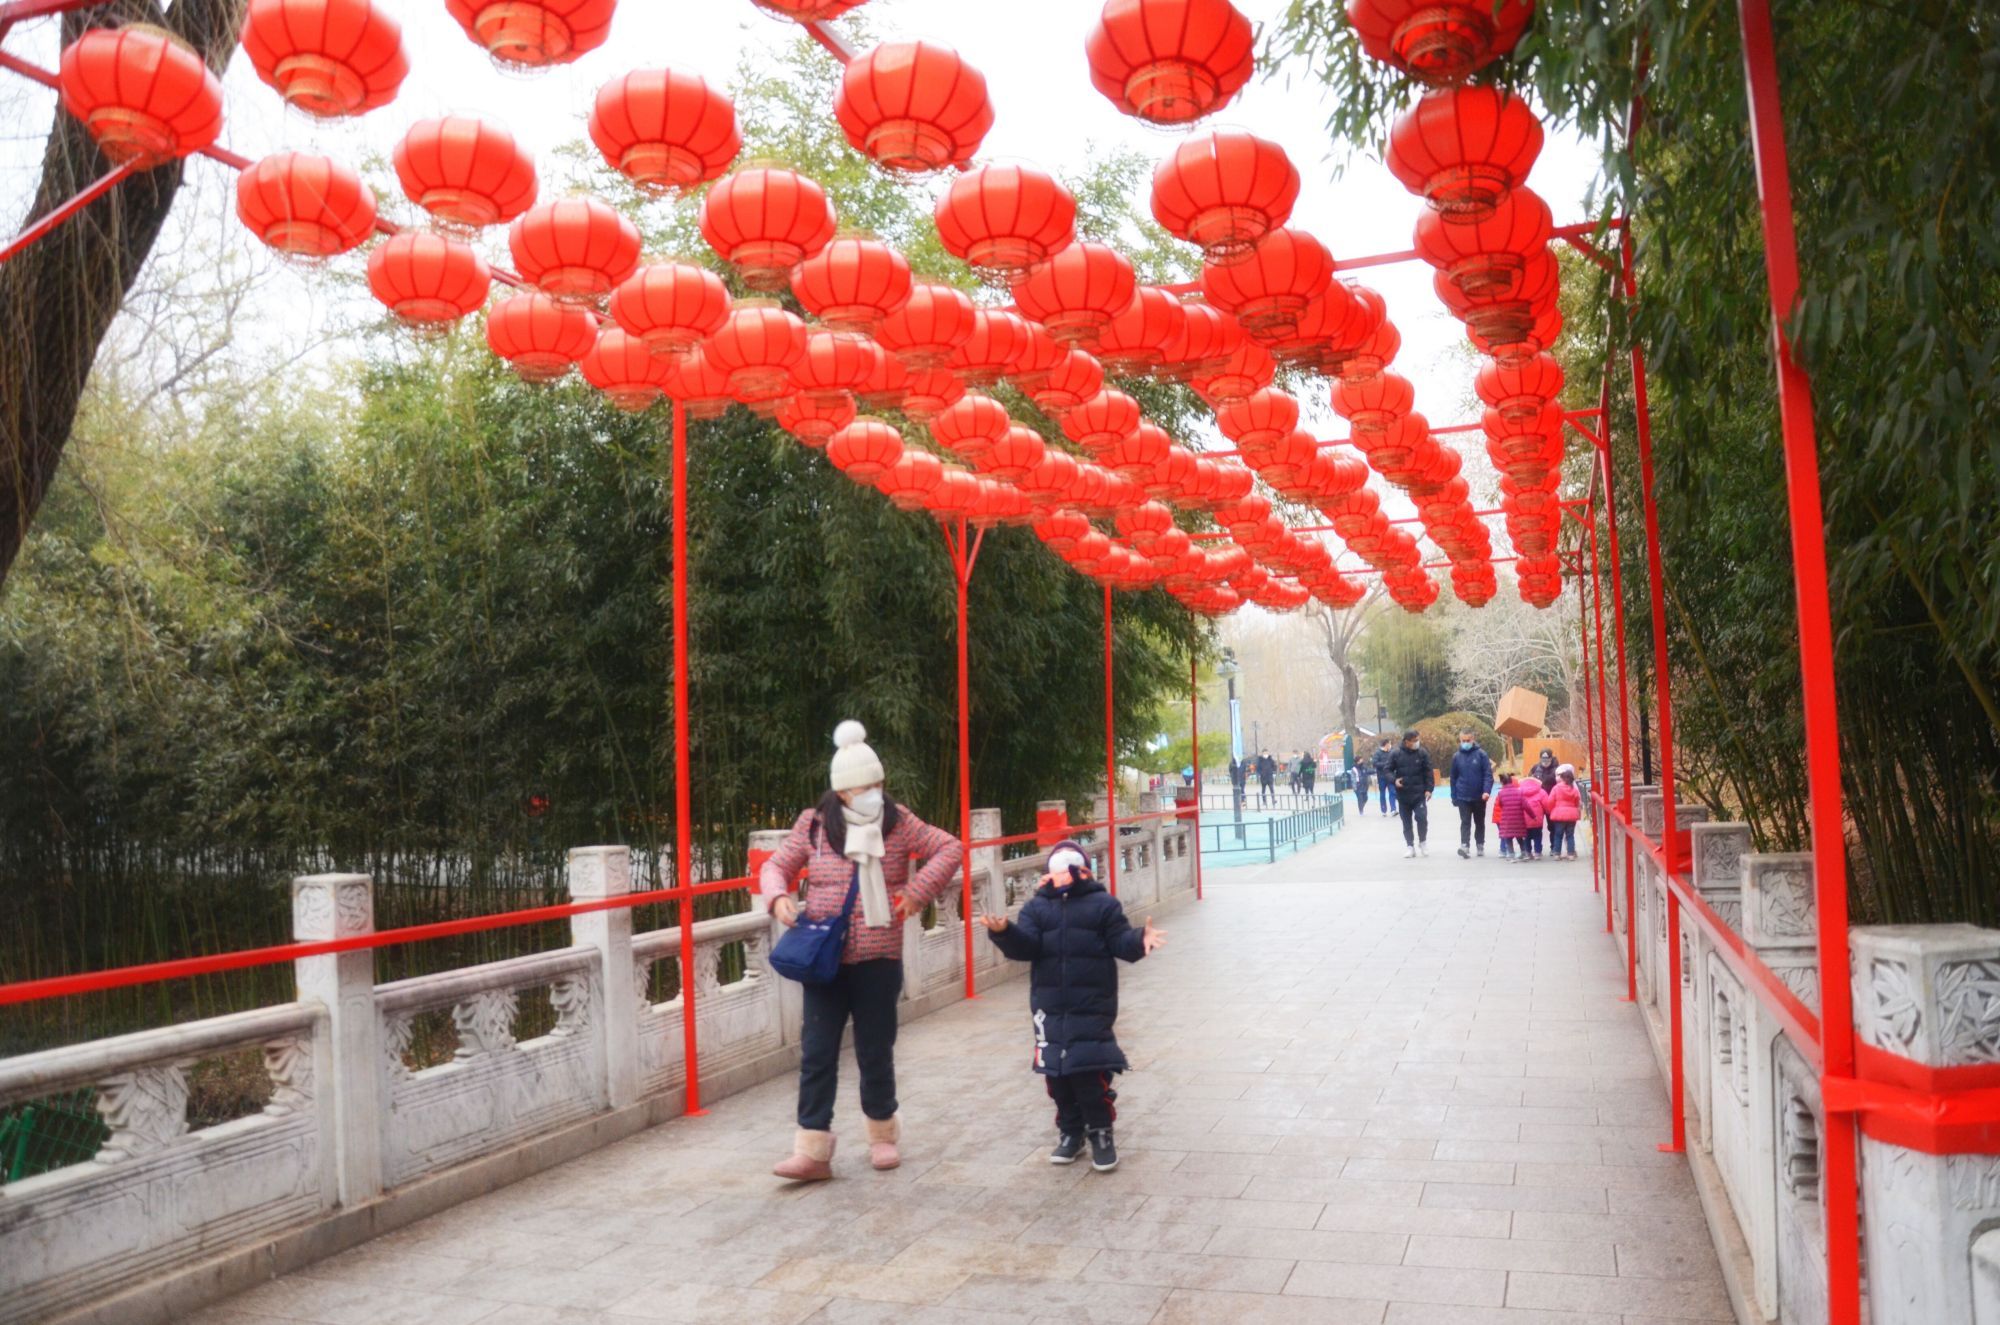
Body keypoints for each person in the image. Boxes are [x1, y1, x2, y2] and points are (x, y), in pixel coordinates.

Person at [758, 721, 964, 1180]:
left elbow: (950, 848)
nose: (871, 792)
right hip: (824, 958)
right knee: (817, 1050)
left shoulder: (898, 821)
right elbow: (776, 865)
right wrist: (778, 897)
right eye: (861, 787)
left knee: (875, 1049)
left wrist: (917, 891)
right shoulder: (813, 825)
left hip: (879, 957)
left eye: (876, 784)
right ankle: (812, 1150)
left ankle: (882, 1136)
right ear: (842, 793)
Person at [982, 839, 1165, 1173]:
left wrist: (1140, 939)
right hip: (1048, 1008)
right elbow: (1027, 947)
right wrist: (1004, 932)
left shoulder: (1103, 905)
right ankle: (1070, 1132)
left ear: (1083, 871)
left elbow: (1119, 940)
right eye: (1057, 871)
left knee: (1087, 1072)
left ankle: (1101, 1133)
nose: (1063, 877)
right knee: (1057, 1077)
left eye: (1070, 871)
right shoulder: (1036, 908)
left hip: (1092, 1003)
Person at [1447, 729, 1495, 859]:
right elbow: (1453, 778)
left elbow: (1488, 775)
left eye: (1468, 740)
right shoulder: (1456, 756)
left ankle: (1480, 844)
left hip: (1479, 796)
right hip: (1463, 795)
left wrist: (1486, 791)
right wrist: (1454, 796)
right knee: (1465, 822)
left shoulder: (1481, 755)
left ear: (1473, 740)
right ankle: (1465, 846)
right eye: (1463, 741)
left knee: (1479, 822)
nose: (1466, 743)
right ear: (1460, 740)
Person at [1388, 728, 1435, 857]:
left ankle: (1423, 842)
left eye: (1418, 740)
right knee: (1406, 822)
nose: (1417, 743)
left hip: (1419, 794)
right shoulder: (1395, 754)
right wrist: (1394, 780)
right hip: (1403, 795)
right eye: (1414, 741)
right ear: (1407, 741)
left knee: (1422, 818)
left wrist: (1429, 789)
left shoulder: (1422, 753)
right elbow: (1387, 770)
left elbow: (1428, 772)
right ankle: (1410, 846)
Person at [1547, 764, 1582, 859]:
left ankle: (1557, 854)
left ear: (1562, 778)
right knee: (1570, 835)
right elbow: (1577, 801)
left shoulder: (1556, 788)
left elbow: (1550, 801)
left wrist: (1551, 810)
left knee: (1558, 835)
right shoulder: (1574, 789)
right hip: (1571, 815)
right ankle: (1571, 854)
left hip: (1559, 815)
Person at [1493, 771, 1527, 860]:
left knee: (1506, 836)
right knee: (1519, 836)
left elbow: (1499, 805)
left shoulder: (1501, 793)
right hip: (1517, 818)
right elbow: (1525, 805)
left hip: (1503, 818)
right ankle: (1524, 852)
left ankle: (1507, 852)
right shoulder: (1519, 792)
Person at [1519, 771, 1549, 860]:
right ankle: (1537, 853)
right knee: (1537, 836)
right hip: (1537, 819)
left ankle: (1528, 852)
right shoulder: (1541, 792)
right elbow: (1546, 805)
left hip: (1523, 820)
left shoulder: (1520, 791)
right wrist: (1548, 812)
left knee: (1526, 837)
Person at [1372, 738, 1398, 814]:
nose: (1390, 745)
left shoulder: (1392, 752)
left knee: (1392, 792)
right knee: (1382, 793)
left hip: (1391, 776)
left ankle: (1393, 809)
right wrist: (1386, 764)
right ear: (1386, 744)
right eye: (1389, 743)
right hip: (1381, 777)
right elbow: (1375, 763)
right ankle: (1383, 810)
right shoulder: (1378, 753)